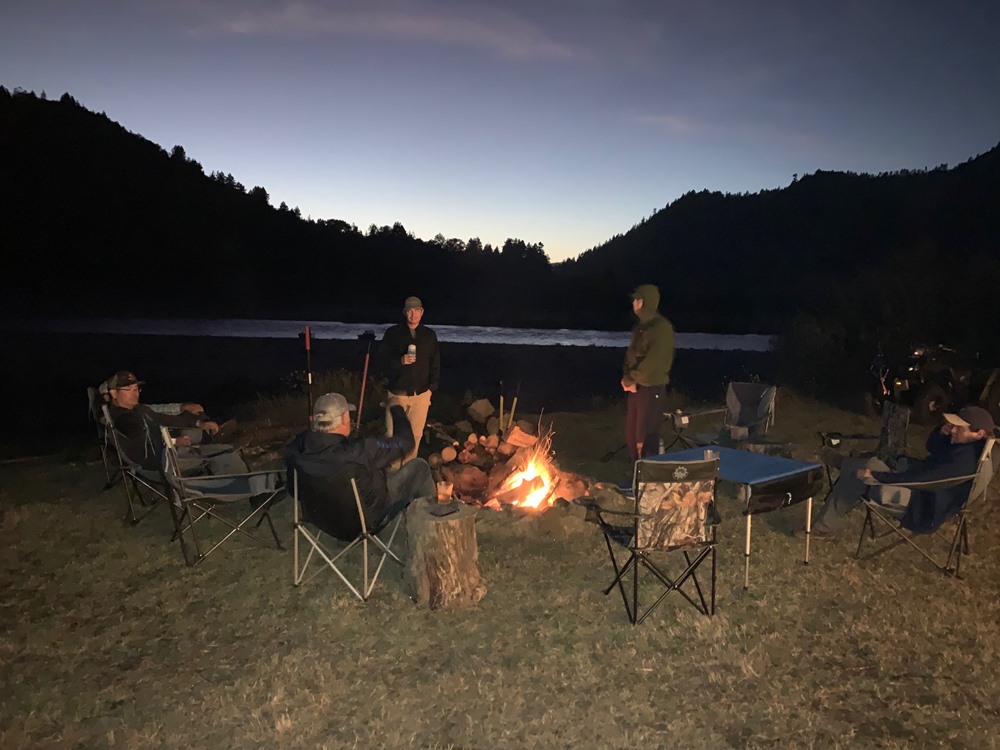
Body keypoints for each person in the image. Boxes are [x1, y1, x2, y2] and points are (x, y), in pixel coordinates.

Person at [811, 406, 996, 539]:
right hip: (921, 492)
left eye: (959, 428)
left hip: (919, 506)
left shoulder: (964, 460)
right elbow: (932, 448)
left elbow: (924, 480)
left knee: (860, 472)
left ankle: (822, 526)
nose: (953, 429)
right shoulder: (970, 447)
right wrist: (941, 432)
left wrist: (877, 477)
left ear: (979, 433)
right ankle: (847, 463)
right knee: (869, 464)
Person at [285, 392, 436, 540]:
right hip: (365, 523)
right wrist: (396, 408)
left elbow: (294, 491)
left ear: (315, 420)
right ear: (344, 419)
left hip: (323, 521)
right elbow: (405, 442)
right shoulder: (359, 451)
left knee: (378, 470)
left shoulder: (295, 450)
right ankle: (436, 521)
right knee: (419, 466)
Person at [104, 370, 247, 474]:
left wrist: (198, 423)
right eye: (128, 390)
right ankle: (246, 489)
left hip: (164, 453)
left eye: (136, 389)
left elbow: (166, 419)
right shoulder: (123, 418)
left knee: (224, 448)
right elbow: (144, 441)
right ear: (114, 393)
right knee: (225, 453)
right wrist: (174, 441)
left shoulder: (139, 409)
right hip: (159, 462)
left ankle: (213, 437)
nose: (134, 394)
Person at [380, 296, 440, 463]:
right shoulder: (392, 334)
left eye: (416, 311)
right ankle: (391, 475)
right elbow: (382, 361)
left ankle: (408, 474)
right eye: (409, 311)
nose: (413, 315)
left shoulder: (429, 335)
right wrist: (400, 361)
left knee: (415, 435)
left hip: (421, 394)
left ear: (422, 313)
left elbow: (435, 362)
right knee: (392, 435)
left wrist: (431, 389)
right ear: (405, 313)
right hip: (397, 393)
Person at [620, 284, 676, 462]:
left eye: (638, 300)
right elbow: (632, 355)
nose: (634, 303)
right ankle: (637, 473)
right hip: (636, 387)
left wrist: (631, 377)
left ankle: (649, 476)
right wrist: (628, 378)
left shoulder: (661, 328)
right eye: (634, 300)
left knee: (645, 436)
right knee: (632, 433)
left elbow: (654, 361)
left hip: (652, 386)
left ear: (647, 302)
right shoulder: (641, 327)